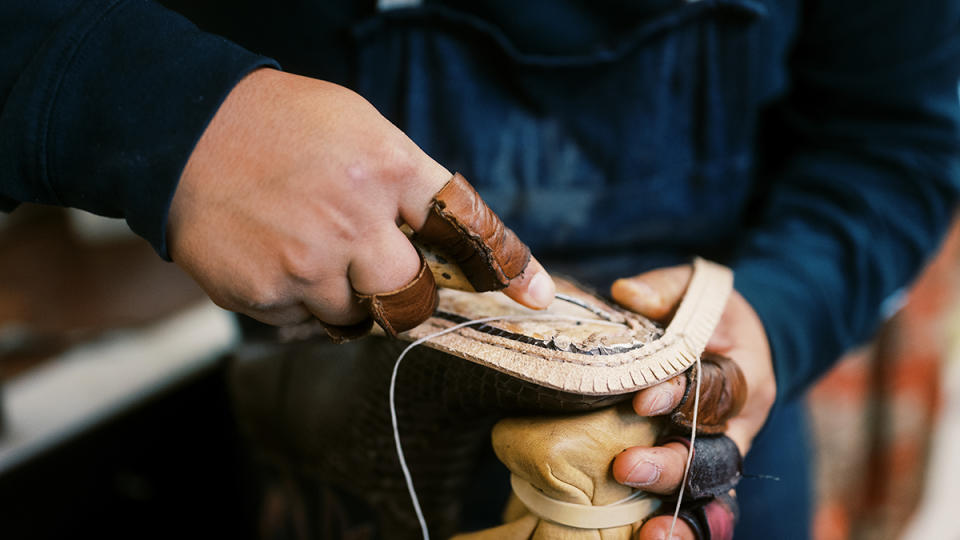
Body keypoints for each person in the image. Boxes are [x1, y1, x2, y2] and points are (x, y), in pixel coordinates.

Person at [2, 0, 958, 538]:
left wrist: (775, 315)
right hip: (324, 428)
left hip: (708, 419)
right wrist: (174, 118)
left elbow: (900, 135)